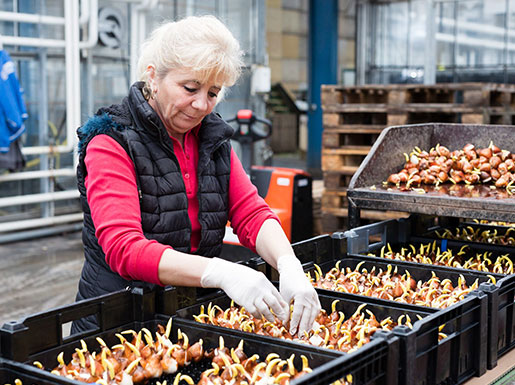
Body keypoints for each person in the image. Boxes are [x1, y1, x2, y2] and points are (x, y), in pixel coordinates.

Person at [72, 15, 320, 336]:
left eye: (213, 92)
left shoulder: (210, 139)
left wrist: (289, 265)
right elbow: (125, 248)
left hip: (185, 316)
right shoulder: (111, 142)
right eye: (190, 88)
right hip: (118, 321)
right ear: (154, 77)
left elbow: (250, 212)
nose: (201, 104)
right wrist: (222, 273)